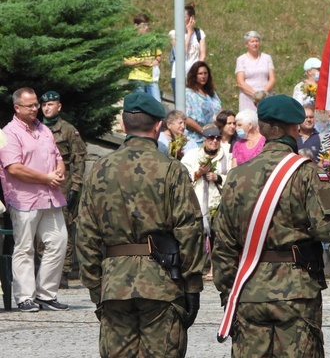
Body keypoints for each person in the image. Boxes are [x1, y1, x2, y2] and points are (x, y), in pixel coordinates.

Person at [212, 95, 330, 357]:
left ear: (264, 128)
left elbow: (222, 243)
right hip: (295, 293)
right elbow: (329, 229)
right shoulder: (307, 174)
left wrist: (228, 293)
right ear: (294, 128)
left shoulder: (236, 177)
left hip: (248, 290)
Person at [75, 93, 205, 356]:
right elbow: (189, 231)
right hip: (162, 283)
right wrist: (192, 287)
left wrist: (95, 286)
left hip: (114, 284)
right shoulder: (171, 169)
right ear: (158, 126)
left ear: (123, 126)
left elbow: (85, 234)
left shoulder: (100, 169)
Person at [0, 88, 68, 313]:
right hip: (24, 199)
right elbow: (14, 168)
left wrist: (59, 171)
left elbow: (57, 156)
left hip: (51, 197)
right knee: (24, 248)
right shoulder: (9, 133)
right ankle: (25, 297)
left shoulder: (44, 129)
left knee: (59, 242)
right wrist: (46, 178)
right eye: (29, 105)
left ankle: (46, 294)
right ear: (16, 108)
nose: (35, 109)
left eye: (36, 104)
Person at [39, 91, 87, 290]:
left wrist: (76, 186)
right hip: (40, 182)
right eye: (44, 105)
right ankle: (42, 269)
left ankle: (63, 272)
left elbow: (79, 160)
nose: (46, 108)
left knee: (63, 227)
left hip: (63, 184)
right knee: (41, 227)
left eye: (51, 104)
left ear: (59, 106)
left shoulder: (68, 130)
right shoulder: (36, 128)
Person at [181, 124, 228, 281]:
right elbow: (183, 176)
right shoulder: (192, 155)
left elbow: (234, 177)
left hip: (217, 202)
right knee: (197, 236)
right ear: (204, 139)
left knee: (216, 236)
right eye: (211, 138)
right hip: (198, 201)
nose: (214, 141)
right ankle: (198, 267)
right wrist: (198, 173)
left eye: (217, 138)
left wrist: (218, 177)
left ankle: (214, 268)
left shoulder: (226, 155)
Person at [124, 13, 162, 102]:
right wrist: (142, 62)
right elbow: (126, 62)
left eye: (148, 25)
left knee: (157, 104)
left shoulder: (153, 39)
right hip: (137, 78)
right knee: (141, 104)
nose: (146, 28)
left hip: (151, 78)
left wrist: (157, 60)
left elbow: (159, 55)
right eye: (143, 26)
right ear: (136, 26)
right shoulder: (130, 41)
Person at [169, 3, 207, 91]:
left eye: (183, 17)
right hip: (178, 76)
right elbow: (181, 54)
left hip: (194, 76)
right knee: (180, 104)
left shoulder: (200, 33)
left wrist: (197, 72)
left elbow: (203, 55)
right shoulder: (174, 33)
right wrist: (189, 34)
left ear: (191, 18)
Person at [235, 30, 275, 112]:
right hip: (248, 98)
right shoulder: (241, 59)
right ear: (246, 44)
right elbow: (240, 82)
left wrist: (263, 94)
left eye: (257, 41)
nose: (255, 44)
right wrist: (256, 95)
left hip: (265, 97)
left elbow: (272, 79)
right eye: (252, 41)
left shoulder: (267, 58)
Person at [185, 61, 222, 146]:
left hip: (214, 137)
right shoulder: (188, 93)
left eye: (205, 73)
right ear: (194, 75)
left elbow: (219, 109)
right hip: (196, 139)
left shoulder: (211, 92)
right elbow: (186, 118)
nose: (203, 76)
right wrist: (204, 132)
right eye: (200, 73)